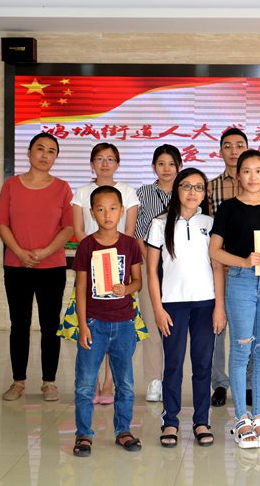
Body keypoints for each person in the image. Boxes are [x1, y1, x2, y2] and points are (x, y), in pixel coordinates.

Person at [209, 149, 260, 449]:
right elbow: (214, 251)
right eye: (246, 171)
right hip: (241, 283)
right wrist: (244, 261)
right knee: (241, 349)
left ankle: (258, 417)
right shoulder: (228, 209)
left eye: (259, 171)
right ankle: (241, 419)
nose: (253, 177)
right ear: (238, 175)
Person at [146, 168, 226, 448]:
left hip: (205, 304)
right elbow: (151, 271)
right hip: (172, 305)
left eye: (199, 187)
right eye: (187, 186)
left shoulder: (210, 223)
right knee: (173, 364)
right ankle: (170, 421)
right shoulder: (159, 224)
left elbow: (218, 267)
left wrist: (219, 306)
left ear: (205, 193)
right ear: (177, 190)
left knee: (203, 365)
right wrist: (158, 308)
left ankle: (201, 420)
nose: (193, 192)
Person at [0, 132, 74, 402]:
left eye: (51, 151)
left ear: (56, 157)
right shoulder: (11, 185)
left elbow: (68, 228)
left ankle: (49, 382)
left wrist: (45, 252)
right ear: (29, 153)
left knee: (50, 325)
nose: (45, 155)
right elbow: (1, 222)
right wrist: (19, 252)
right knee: (19, 324)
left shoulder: (62, 187)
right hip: (16, 266)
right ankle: (18, 381)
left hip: (52, 267)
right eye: (40, 149)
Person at [72, 185, 143, 457]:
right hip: (94, 323)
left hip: (124, 323)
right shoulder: (86, 245)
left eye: (113, 208)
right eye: (100, 209)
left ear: (122, 211)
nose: (107, 214)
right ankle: (83, 434)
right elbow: (80, 288)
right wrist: (82, 325)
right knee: (85, 383)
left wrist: (127, 289)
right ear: (92, 213)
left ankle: (123, 430)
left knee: (125, 383)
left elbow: (137, 281)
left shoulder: (129, 244)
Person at [72, 142, 140, 405]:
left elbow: (129, 231)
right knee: (93, 323)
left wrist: (114, 257)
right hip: (90, 260)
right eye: (99, 158)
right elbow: (79, 230)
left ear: (117, 164)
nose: (104, 164)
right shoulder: (81, 192)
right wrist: (93, 253)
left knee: (117, 325)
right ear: (92, 163)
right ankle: (95, 383)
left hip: (120, 263)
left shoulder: (128, 192)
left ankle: (109, 383)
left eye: (110, 159)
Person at [205, 128, 260, 408]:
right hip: (220, 267)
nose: (233, 150)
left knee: (249, 330)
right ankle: (219, 383)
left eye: (239, 145)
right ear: (220, 151)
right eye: (228, 146)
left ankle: (249, 384)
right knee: (218, 326)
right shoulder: (210, 187)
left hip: (253, 271)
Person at [134, 144, 182, 402]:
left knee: (176, 325)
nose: (166, 169)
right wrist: (150, 261)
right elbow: (138, 231)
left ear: (179, 166)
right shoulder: (142, 193)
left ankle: (173, 380)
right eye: (161, 164)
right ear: (154, 166)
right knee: (152, 323)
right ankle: (154, 380)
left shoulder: (187, 190)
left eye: (171, 164)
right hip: (148, 264)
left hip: (180, 268)